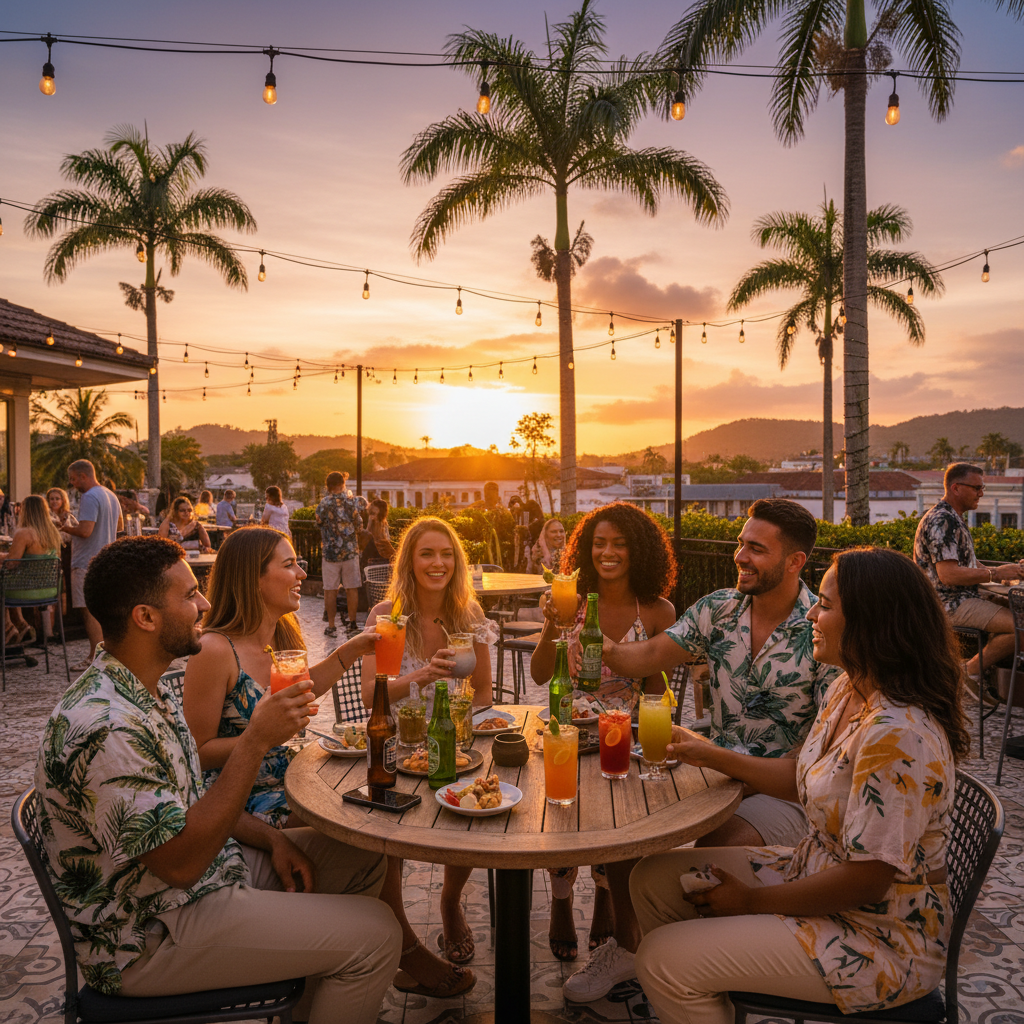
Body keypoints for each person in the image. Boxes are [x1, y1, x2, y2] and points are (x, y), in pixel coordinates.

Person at [34, 536, 402, 1024]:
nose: (205, 604)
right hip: (147, 935)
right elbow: (181, 864)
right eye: (188, 596)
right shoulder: (106, 726)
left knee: (361, 849)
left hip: (206, 876)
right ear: (146, 617)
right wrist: (254, 741)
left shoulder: (141, 691)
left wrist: (271, 839)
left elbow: (191, 805)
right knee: (376, 935)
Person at [629, 547, 970, 1024]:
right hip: (812, 870)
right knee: (651, 879)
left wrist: (747, 902)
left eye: (826, 605)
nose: (811, 612)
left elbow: (866, 880)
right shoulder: (849, 688)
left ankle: (687, 985)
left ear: (870, 623)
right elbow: (808, 777)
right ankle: (705, 1000)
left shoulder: (898, 733)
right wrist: (706, 751)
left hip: (879, 938)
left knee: (663, 960)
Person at [604, 498, 839, 847]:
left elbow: (820, 750)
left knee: (717, 847)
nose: (740, 556)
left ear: (795, 562)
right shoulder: (717, 609)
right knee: (624, 825)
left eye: (756, 548)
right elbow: (649, 655)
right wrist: (599, 647)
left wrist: (725, 767)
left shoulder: (823, 629)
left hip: (786, 793)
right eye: (741, 543)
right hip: (716, 776)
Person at [529, 503, 677, 981]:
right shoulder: (571, 600)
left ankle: (607, 900)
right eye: (599, 543)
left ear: (639, 552)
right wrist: (553, 623)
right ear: (586, 550)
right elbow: (537, 675)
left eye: (619, 544)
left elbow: (655, 691)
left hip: (622, 737)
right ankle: (560, 899)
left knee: (619, 831)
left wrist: (642, 663)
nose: (608, 553)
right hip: (567, 733)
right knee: (562, 819)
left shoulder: (656, 611)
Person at [362, 516, 497, 992]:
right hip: (397, 742)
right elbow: (369, 695)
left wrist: (461, 719)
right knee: (386, 831)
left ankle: (450, 901)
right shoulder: (388, 615)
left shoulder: (470, 617)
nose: (438, 563)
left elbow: (483, 692)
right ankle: (403, 940)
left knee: (470, 817)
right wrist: (422, 677)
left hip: (456, 741)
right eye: (427, 554)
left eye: (446, 555)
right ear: (410, 562)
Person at [184, 527, 379, 829]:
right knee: (360, 823)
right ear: (252, 578)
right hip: (245, 800)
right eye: (289, 565)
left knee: (378, 798)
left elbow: (302, 689)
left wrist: (351, 649)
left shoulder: (283, 632)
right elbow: (197, 754)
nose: (302, 573)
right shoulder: (214, 650)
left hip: (293, 778)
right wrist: (263, 737)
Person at [914, 461, 1023, 698]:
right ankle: (968, 672)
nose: (981, 493)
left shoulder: (952, 517)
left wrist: (1008, 574)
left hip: (962, 598)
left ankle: (981, 675)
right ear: (955, 488)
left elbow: (968, 565)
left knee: (1018, 612)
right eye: (976, 488)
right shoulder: (942, 521)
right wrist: (995, 573)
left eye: (982, 488)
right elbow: (949, 575)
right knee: (1021, 627)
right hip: (948, 604)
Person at [60, 459, 123, 669]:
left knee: (89, 611)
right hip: (106, 559)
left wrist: (66, 528)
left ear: (83, 476)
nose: (72, 483)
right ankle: (110, 654)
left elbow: (86, 531)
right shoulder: (110, 495)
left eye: (73, 479)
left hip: (87, 561)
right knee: (103, 610)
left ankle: (95, 657)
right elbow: (120, 525)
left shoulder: (88, 496)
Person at [0, 494, 62, 645]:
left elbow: (11, 564)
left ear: (26, 511)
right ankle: (21, 626)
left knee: (3, 584)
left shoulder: (24, 533)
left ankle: (9, 628)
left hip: (25, 589)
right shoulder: (52, 532)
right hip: (48, 590)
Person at [316, 471, 366, 638]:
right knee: (352, 589)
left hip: (330, 553)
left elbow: (318, 522)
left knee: (330, 590)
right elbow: (359, 525)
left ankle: (331, 626)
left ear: (328, 486)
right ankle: (352, 624)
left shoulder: (323, 503)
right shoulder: (352, 501)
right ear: (343, 483)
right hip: (350, 552)